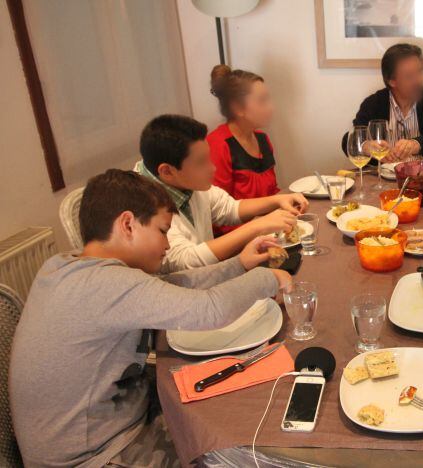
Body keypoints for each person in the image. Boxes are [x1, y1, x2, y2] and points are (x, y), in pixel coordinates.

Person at [9, 169, 293, 467]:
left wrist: (238, 265)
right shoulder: (108, 285)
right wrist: (267, 278)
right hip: (92, 456)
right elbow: (209, 310)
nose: (168, 245)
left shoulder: (68, 266)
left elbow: (167, 287)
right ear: (128, 224)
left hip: (91, 432)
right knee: (227, 445)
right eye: (162, 230)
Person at [136, 114, 309, 272]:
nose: (212, 168)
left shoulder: (182, 181)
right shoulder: (141, 205)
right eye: (201, 162)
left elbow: (227, 208)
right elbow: (183, 262)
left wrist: (278, 200)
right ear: (167, 171)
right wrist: (258, 225)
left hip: (210, 279)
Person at [341, 43, 423, 162]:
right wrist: (366, 146)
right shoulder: (374, 103)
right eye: (409, 76)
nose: (418, 80)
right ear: (392, 81)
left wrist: (416, 144)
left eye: (419, 72)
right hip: (382, 177)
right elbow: (348, 140)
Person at [207, 65, 279, 208]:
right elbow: (218, 210)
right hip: (240, 229)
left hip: (270, 224)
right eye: (262, 101)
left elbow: (272, 193)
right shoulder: (218, 145)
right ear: (238, 108)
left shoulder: (262, 139)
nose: (271, 107)